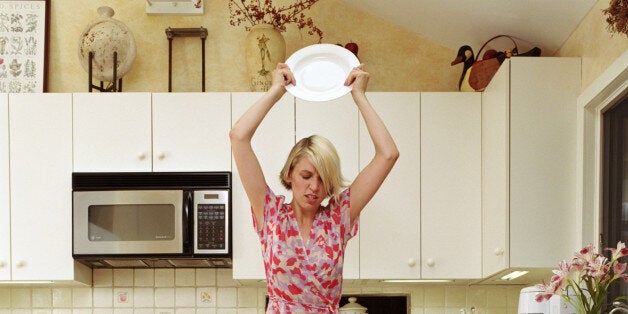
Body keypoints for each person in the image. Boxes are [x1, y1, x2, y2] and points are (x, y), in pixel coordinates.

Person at [230, 62, 399, 313]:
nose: (314, 187)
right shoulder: (270, 213)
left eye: (323, 178)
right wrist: (276, 90)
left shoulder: (338, 217)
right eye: (306, 176)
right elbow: (238, 136)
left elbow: (388, 154)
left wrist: (360, 96)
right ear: (290, 174)